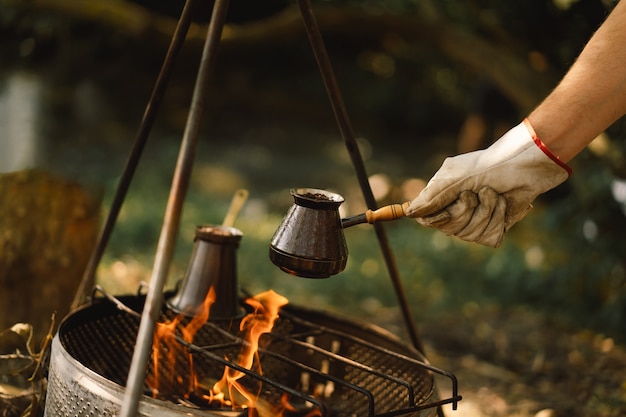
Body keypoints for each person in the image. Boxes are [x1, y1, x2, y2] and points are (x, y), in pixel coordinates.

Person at [406, 0, 626, 248]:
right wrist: (499, 160)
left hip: (554, 164)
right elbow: (487, 128)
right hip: (551, 161)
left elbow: (479, 127)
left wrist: (498, 160)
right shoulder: (499, 79)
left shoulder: (495, 81)